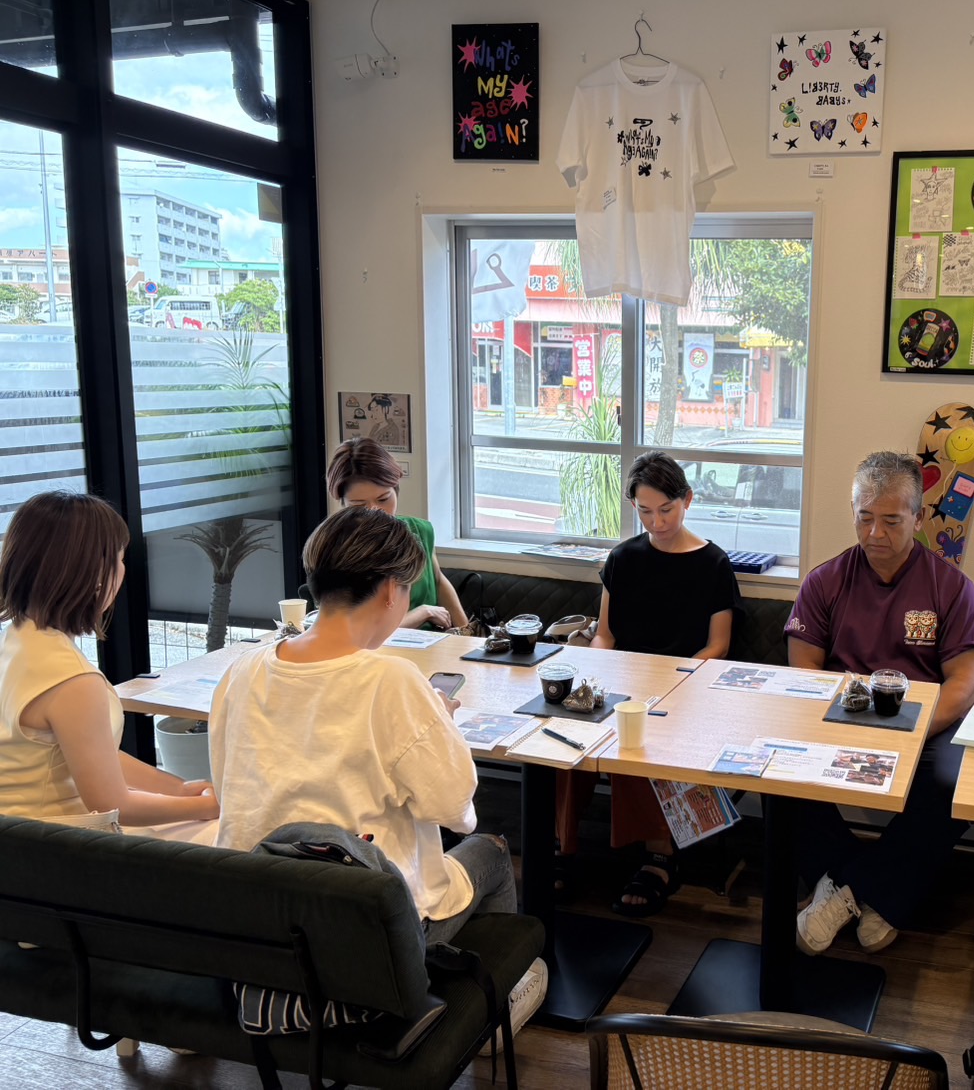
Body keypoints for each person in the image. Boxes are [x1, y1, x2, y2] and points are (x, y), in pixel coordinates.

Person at [208, 506, 545, 1034]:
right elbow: (456, 810)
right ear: (391, 591)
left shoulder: (243, 668)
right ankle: (488, 1013)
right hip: (367, 933)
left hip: (258, 923)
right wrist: (440, 721)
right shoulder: (392, 682)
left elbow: (226, 783)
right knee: (492, 852)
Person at [787, 451, 974, 954]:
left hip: (926, 725)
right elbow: (804, 668)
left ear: (918, 519)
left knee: (952, 784)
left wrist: (909, 733)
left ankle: (847, 890)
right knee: (778, 770)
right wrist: (849, 725)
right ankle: (880, 891)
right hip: (842, 718)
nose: (875, 533)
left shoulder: (952, 588)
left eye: (892, 521)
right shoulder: (825, 580)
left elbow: (963, 685)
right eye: (865, 517)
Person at [558, 451, 740, 916]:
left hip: (685, 687)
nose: (656, 523)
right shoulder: (622, 559)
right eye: (644, 512)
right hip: (623, 680)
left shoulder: (714, 564)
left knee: (639, 737)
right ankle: (561, 847)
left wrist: (674, 684)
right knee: (565, 736)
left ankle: (659, 855)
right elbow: (605, 634)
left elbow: (717, 646)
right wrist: (595, 677)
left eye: (666, 510)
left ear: (687, 500)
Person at [0, 491, 219, 831]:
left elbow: (88, 755)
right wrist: (208, 807)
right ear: (95, 574)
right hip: (52, 845)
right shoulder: (71, 680)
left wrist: (178, 788)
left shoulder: (16, 638)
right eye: (120, 558)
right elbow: (113, 804)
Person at [325, 437, 468, 631]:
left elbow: (437, 580)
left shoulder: (419, 530)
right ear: (342, 504)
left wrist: (468, 632)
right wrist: (423, 613)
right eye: (359, 505)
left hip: (436, 642)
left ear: (396, 490)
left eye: (383, 499)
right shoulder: (336, 550)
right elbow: (357, 630)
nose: (375, 511)